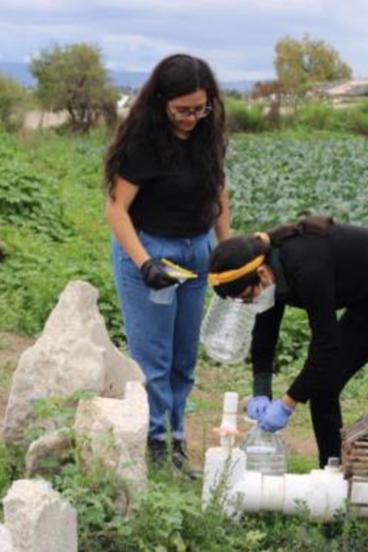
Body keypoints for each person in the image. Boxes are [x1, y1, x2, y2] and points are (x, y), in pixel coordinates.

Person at [207, 215, 368, 467]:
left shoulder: (305, 265)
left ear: (261, 273)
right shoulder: (268, 271)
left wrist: (287, 403)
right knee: (323, 387)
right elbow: (265, 334)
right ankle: (332, 473)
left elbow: (326, 343)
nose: (249, 303)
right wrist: (261, 391)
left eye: (248, 296)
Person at [104, 54, 231, 475]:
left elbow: (218, 190)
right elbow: (116, 210)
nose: (192, 117)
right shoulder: (143, 142)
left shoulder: (207, 133)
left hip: (195, 251)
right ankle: (155, 446)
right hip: (151, 251)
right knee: (153, 360)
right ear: (161, 102)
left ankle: (177, 441)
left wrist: (227, 247)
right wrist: (143, 264)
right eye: (183, 110)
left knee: (182, 359)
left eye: (200, 107)